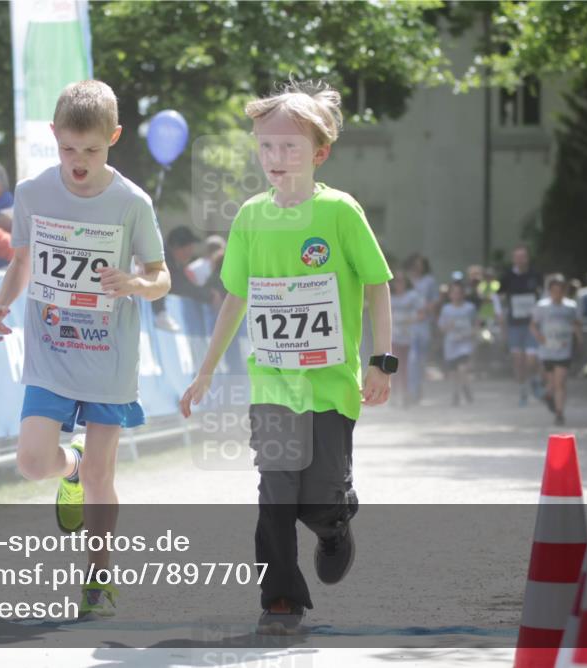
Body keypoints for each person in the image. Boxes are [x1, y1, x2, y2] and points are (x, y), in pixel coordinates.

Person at [179, 80, 395, 635]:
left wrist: (381, 359)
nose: (275, 158)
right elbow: (236, 297)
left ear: (319, 153)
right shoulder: (250, 217)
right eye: (266, 146)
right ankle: (280, 599)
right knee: (275, 492)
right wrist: (206, 370)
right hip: (273, 385)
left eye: (289, 147)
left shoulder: (341, 213)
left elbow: (376, 285)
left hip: (330, 386)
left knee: (318, 498)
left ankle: (334, 526)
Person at [0, 80, 170, 618]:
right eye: (69, 149)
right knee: (31, 462)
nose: (79, 161)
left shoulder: (132, 201)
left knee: (102, 478)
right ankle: (70, 467)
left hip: (109, 356)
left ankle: (98, 576)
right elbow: (22, 261)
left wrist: (134, 283)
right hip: (50, 351)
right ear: (54, 137)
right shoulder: (33, 192)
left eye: (91, 150)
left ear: (113, 137)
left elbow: (161, 277)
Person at [530, 274, 583, 426]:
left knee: (560, 382)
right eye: (554, 290)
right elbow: (533, 325)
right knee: (552, 383)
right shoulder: (542, 306)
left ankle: (559, 413)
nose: (557, 293)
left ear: (564, 291)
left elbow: (576, 323)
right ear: (550, 291)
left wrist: (579, 340)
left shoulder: (570, 306)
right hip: (547, 350)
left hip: (564, 349)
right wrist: (539, 337)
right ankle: (548, 396)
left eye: (560, 290)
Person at [499, 245, 543, 406]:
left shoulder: (535, 275)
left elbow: (543, 295)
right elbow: (499, 297)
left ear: (527, 258)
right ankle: (523, 391)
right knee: (518, 360)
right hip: (514, 324)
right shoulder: (507, 277)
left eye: (523, 257)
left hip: (532, 324)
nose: (520, 260)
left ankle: (535, 380)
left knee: (531, 360)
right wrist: (500, 316)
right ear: (513, 259)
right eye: (517, 257)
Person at [404, 252, 439, 405]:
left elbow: (435, 299)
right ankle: (411, 390)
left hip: (423, 323)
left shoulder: (429, 281)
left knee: (421, 360)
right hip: (408, 324)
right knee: (411, 359)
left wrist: (425, 310)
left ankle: (418, 387)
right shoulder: (407, 280)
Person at [389, 270, 425, 407]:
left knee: (409, 367)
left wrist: (411, 319)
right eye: (396, 281)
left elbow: (422, 314)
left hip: (410, 337)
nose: (399, 284)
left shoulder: (412, 296)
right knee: (393, 367)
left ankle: (407, 395)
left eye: (401, 281)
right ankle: (393, 395)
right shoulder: (390, 297)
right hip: (394, 336)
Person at [438, 281, 477, 406]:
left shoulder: (469, 308)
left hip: (464, 344)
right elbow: (441, 327)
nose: (457, 295)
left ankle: (463, 389)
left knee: (463, 368)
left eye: (459, 293)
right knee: (454, 373)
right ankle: (458, 392)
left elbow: (476, 323)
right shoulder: (446, 309)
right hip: (451, 344)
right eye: (454, 293)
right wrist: (447, 327)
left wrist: (473, 333)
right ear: (450, 295)